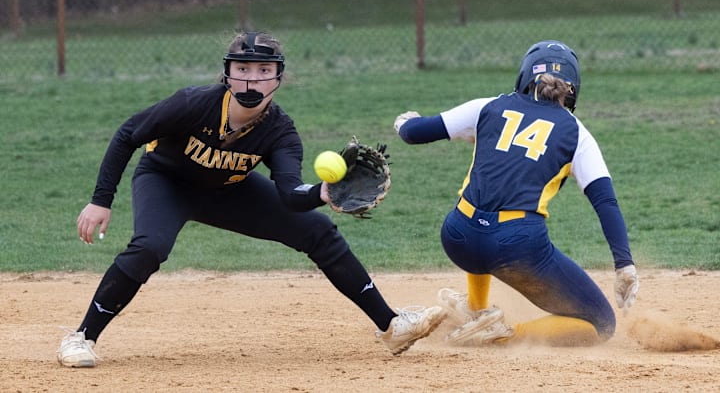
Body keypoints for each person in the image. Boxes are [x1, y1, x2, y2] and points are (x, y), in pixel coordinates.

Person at [57, 31, 445, 368]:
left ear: (279, 76)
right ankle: (81, 337)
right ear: (227, 72)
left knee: (317, 230)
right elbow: (128, 133)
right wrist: (100, 200)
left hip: (229, 188)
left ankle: (391, 326)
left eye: (263, 70)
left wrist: (321, 193)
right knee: (150, 247)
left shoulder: (280, 131)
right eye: (242, 68)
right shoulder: (193, 103)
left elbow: (289, 193)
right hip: (166, 181)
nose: (252, 78)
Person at [393, 40, 639, 347]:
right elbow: (605, 201)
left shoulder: (488, 106)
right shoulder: (577, 132)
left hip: (458, 236)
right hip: (516, 247)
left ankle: (476, 310)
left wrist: (403, 123)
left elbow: (415, 133)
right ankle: (503, 335)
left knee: (478, 215)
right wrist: (624, 265)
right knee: (600, 323)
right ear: (573, 88)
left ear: (525, 77)